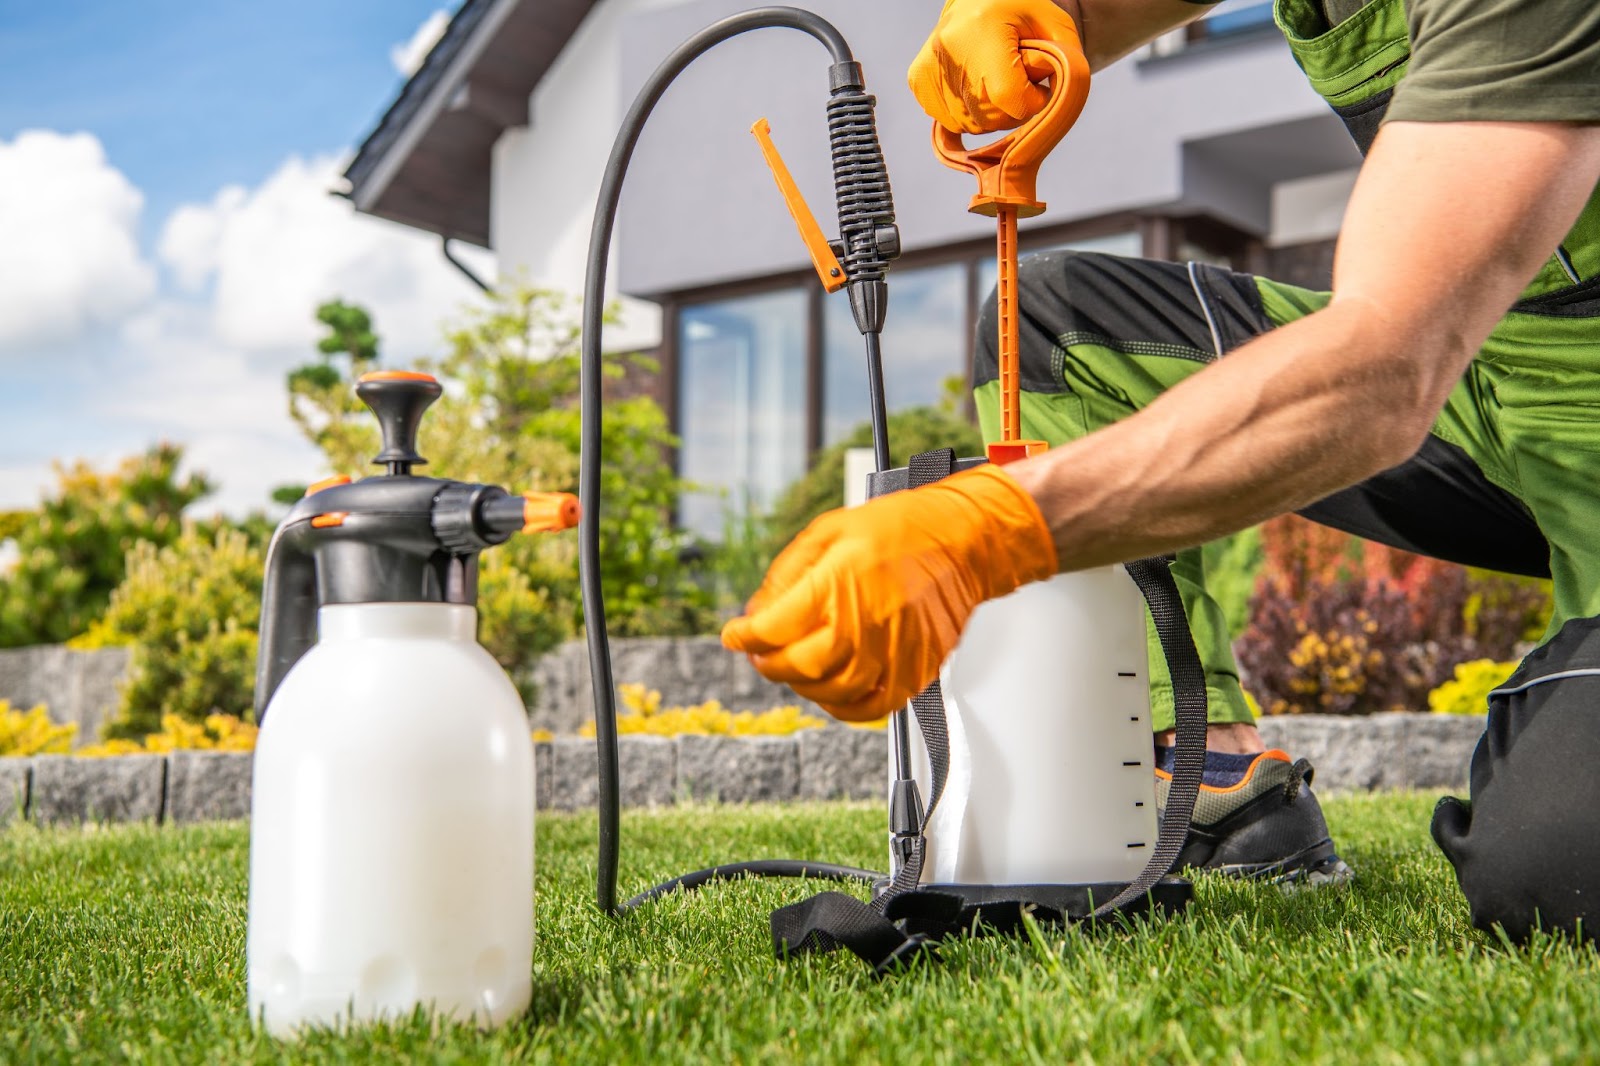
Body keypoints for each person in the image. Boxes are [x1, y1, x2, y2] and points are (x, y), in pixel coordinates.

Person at [723, 0, 1600, 940]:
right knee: (1060, 328)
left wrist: (990, 529)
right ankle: (1218, 772)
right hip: (1491, 384)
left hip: (1455, 373)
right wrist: (1067, 18)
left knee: (1553, 876)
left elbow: (1385, 367)